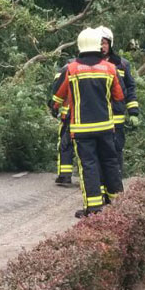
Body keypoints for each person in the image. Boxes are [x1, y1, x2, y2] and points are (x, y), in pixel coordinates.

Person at [49, 27, 124, 218]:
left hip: (81, 129)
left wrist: (54, 107)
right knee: (110, 162)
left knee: (88, 165)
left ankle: (93, 209)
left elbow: (58, 96)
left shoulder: (72, 69)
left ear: (80, 46)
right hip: (106, 127)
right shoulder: (110, 69)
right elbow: (119, 96)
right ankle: (119, 204)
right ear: (99, 46)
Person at [98, 26, 140, 189]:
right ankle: (100, 186)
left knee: (116, 151)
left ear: (110, 44)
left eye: (104, 43)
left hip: (116, 116)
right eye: (99, 43)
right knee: (98, 152)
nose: (102, 46)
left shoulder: (122, 64)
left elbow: (130, 88)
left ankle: (115, 185)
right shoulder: (90, 64)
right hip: (98, 117)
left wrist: (133, 111)